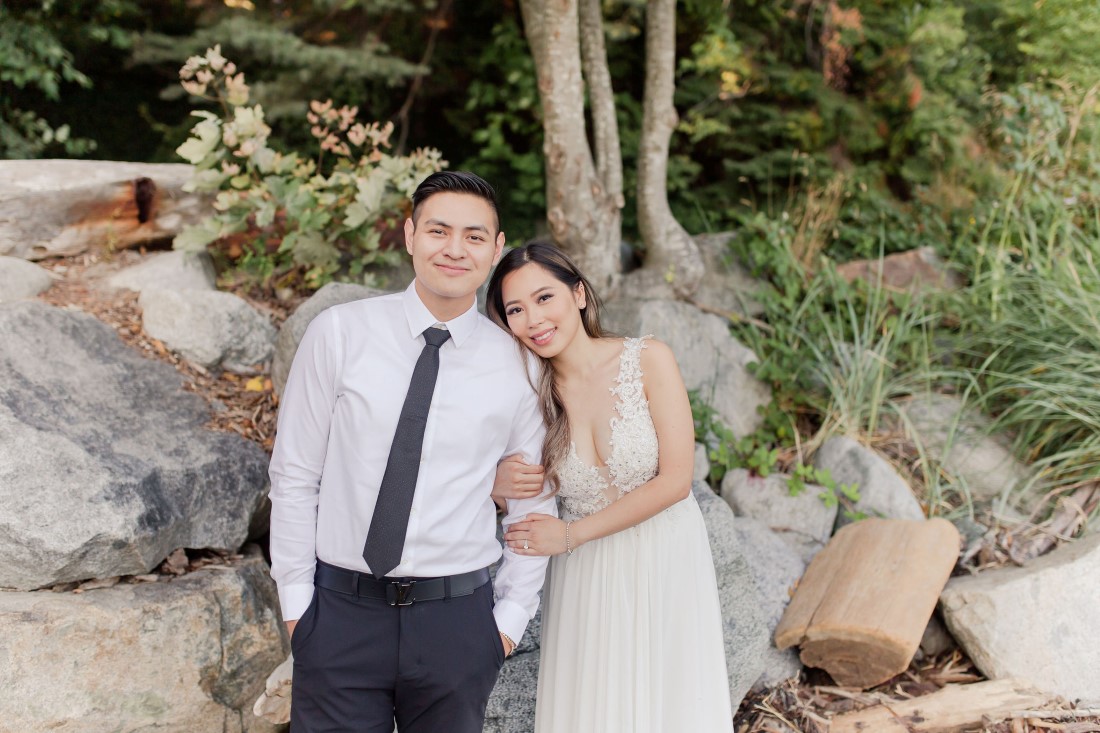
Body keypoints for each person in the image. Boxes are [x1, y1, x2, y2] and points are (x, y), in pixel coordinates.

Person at [268, 171, 556, 733]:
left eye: (474, 236)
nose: (454, 248)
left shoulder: (520, 364)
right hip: (340, 615)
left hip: (458, 625)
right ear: (409, 235)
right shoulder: (339, 334)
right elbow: (295, 476)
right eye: (438, 230)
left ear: (496, 249)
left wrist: (507, 622)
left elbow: (531, 503)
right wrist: (299, 606)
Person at [486, 242, 733, 733]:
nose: (533, 319)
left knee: (673, 706)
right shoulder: (526, 397)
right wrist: (493, 484)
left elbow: (677, 481)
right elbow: (477, 478)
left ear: (578, 293)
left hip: (666, 557)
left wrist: (570, 535)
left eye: (544, 298)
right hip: (588, 578)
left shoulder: (649, 359)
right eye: (516, 309)